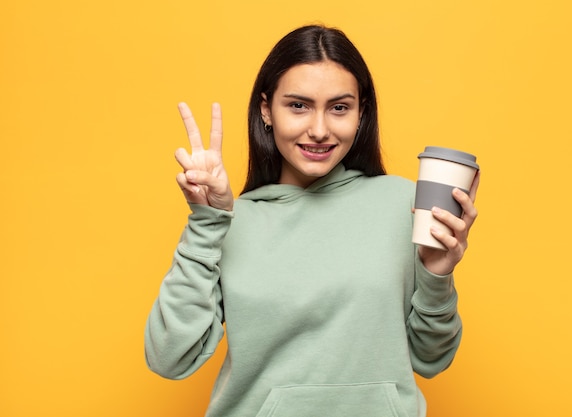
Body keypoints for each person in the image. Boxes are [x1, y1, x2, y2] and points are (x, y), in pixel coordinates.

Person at [145, 24, 480, 417]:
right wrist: (207, 220)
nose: (319, 130)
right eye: (298, 105)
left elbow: (431, 358)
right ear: (267, 110)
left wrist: (436, 275)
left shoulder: (404, 203)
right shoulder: (232, 221)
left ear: (361, 114)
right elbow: (169, 358)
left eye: (339, 107)